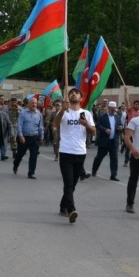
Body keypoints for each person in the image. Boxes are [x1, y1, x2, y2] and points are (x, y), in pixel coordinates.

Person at [55, 88, 96, 224]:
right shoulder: (64, 112)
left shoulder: (86, 113)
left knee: (73, 185)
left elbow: (93, 132)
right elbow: (54, 125)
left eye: (76, 93)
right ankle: (71, 210)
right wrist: (62, 110)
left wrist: (86, 124)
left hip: (80, 152)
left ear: (81, 97)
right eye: (71, 93)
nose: (73, 94)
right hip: (66, 152)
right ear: (68, 97)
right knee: (68, 183)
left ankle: (62, 206)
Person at [91, 101, 123, 181]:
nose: (113, 110)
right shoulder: (102, 117)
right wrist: (105, 129)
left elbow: (120, 126)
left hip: (114, 141)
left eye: (114, 108)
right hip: (104, 141)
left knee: (114, 159)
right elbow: (97, 125)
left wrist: (120, 128)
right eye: (112, 109)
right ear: (108, 108)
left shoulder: (117, 117)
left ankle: (113, 175)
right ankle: (94, 170)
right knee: (99, 157)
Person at [13, 96, 44, 179]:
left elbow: (40, 126)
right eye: (32, 103)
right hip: (24, 137)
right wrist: (21, 136)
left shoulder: (39, 114)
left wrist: (42, 137)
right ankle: (16, 165)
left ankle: (31, 172)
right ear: (28, 104)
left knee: (34, 155)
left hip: (35, 137)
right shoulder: (23, 113)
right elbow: (19, 125)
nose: (34, 104)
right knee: (20, 154)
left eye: (35, 103)